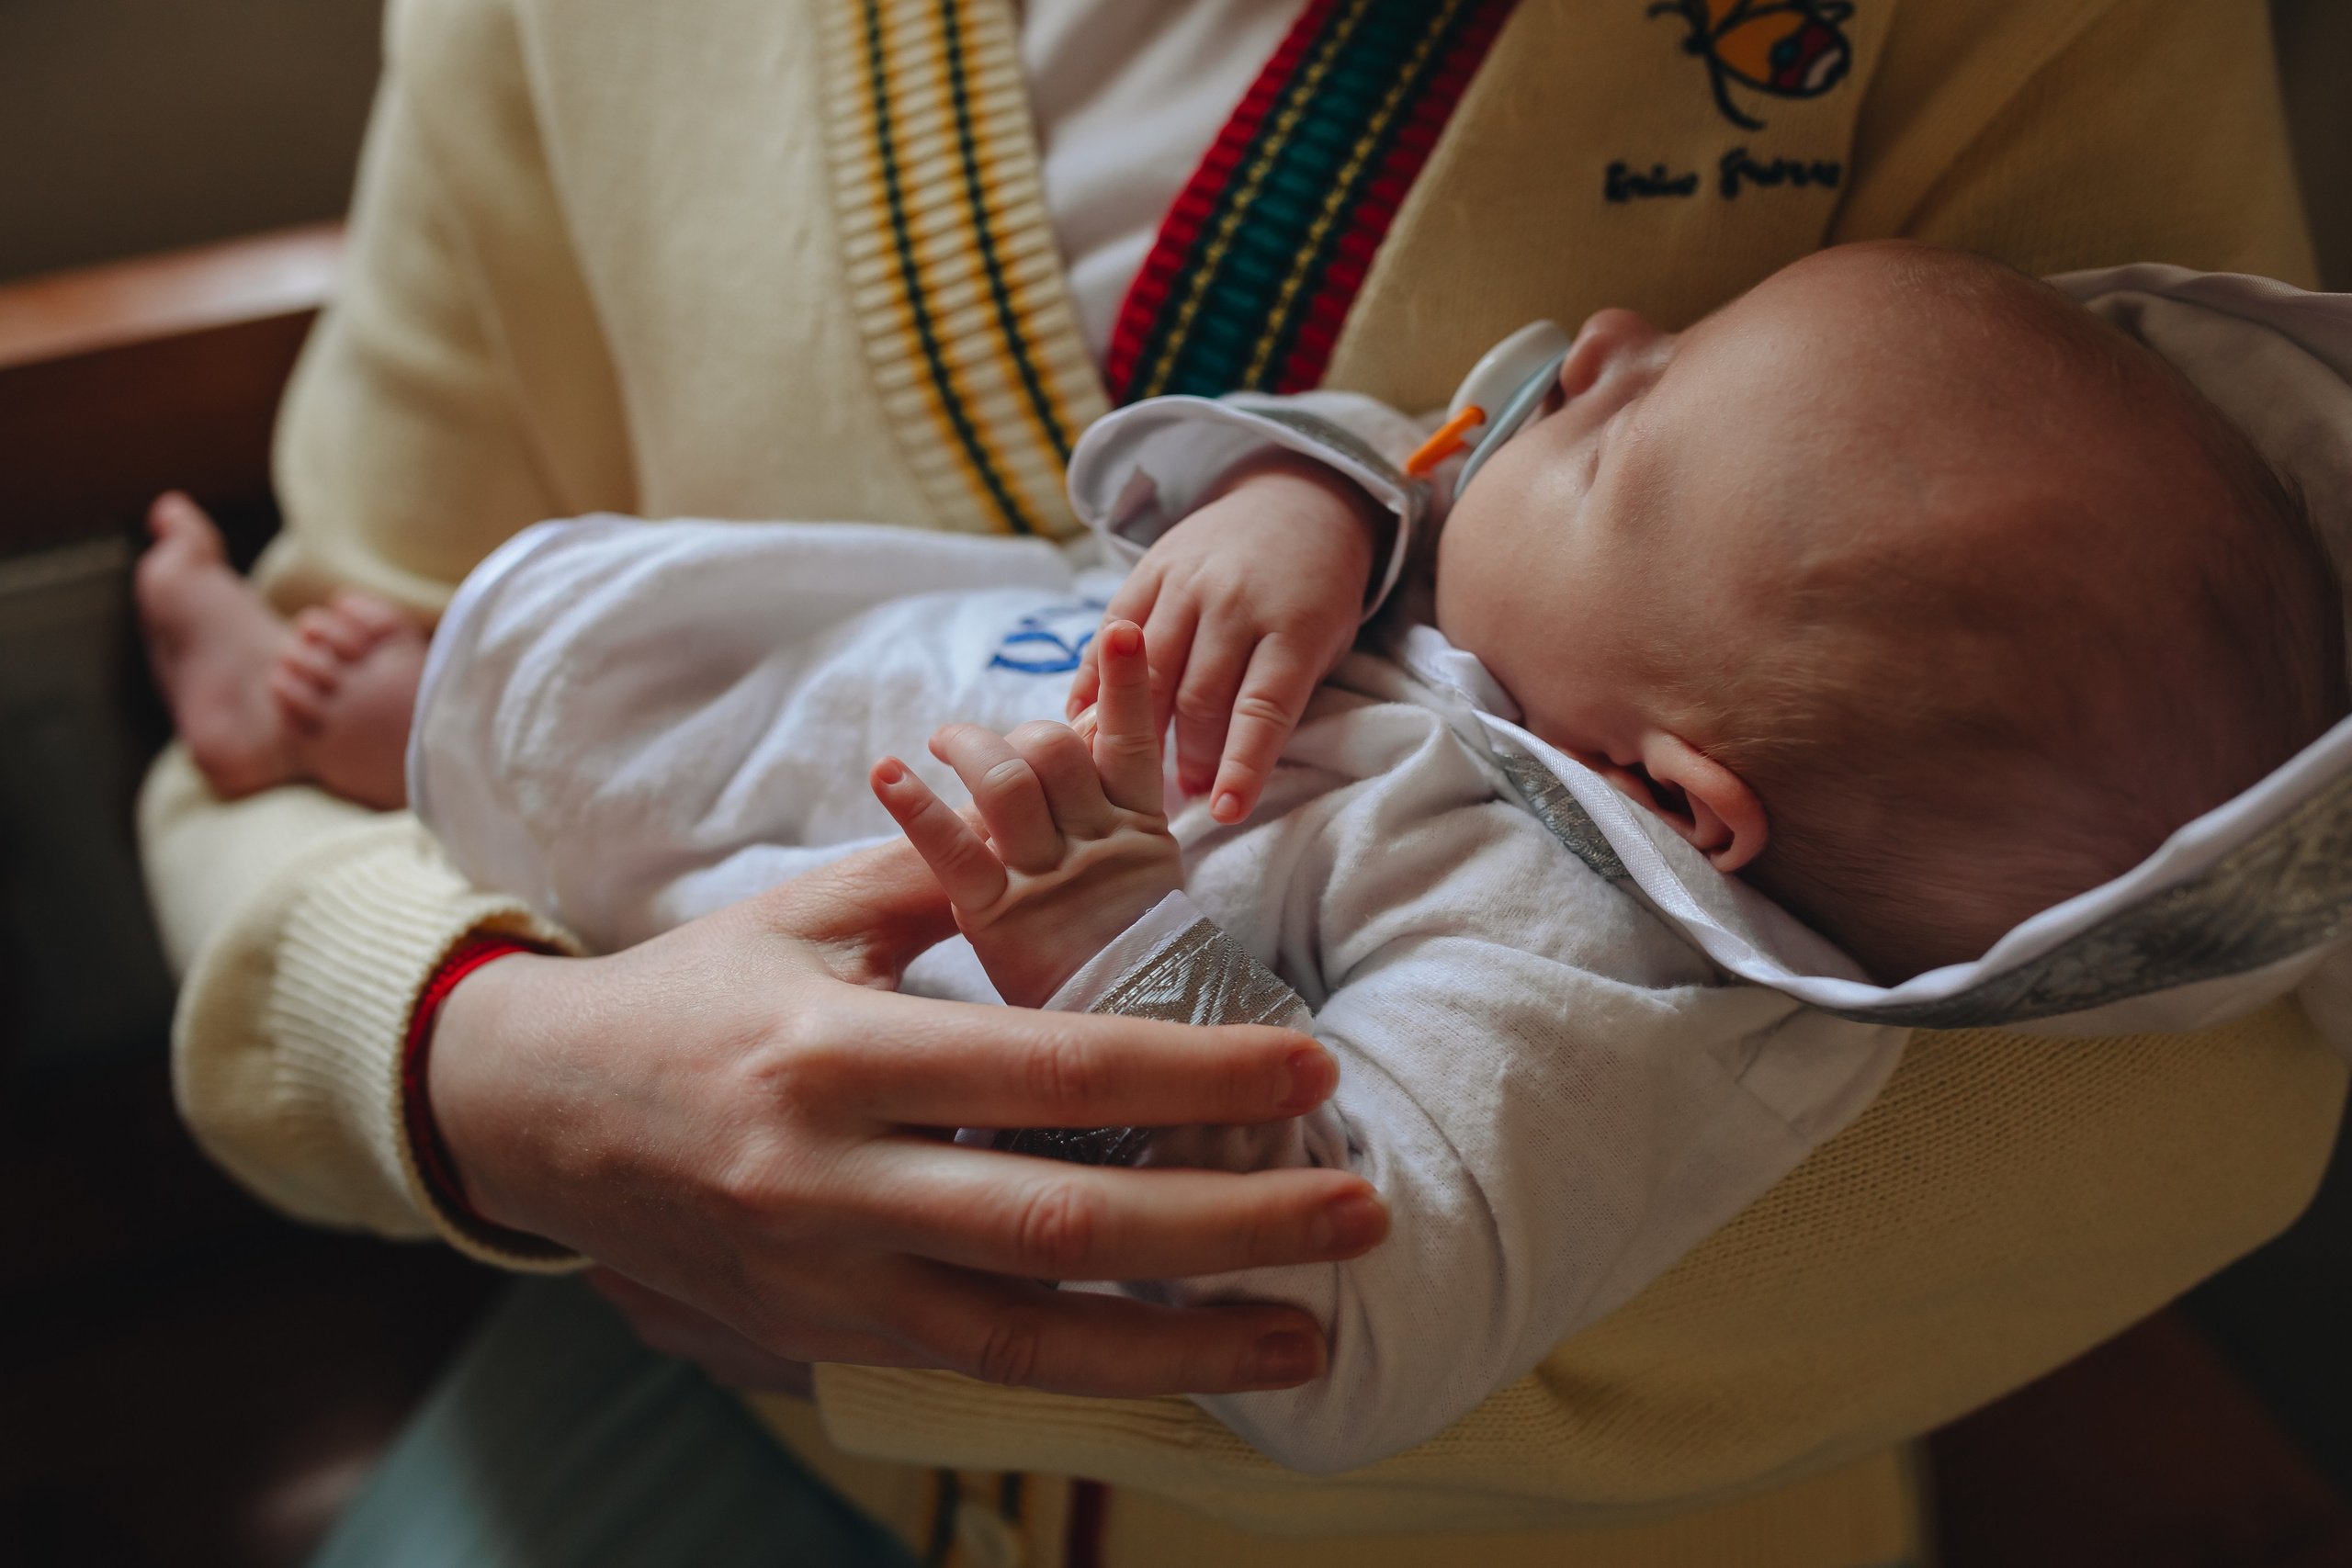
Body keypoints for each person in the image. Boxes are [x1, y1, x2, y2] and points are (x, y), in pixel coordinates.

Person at [132, 0, 2342, 1560]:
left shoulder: (1585, 964)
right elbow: (1424, 481)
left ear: (1680, 804)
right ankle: (358, 703)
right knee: (503, 676)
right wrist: (470, 1063)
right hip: (647, 1248)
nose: (1592, 343)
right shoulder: (1510, 589)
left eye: (1628, 420)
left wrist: (1077, 1018)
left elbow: (1344, 1236)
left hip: (1570, 1515)